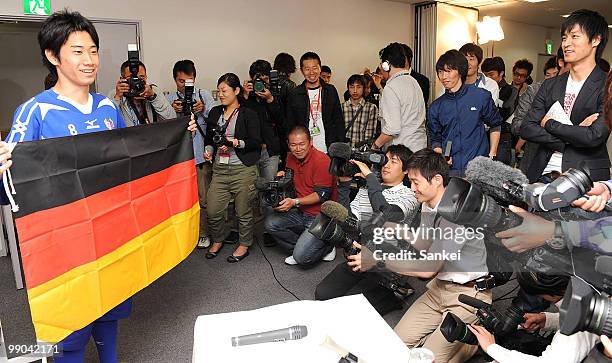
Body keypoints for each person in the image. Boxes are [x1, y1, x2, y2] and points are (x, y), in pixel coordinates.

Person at [7, 10, 129, 363]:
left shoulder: (108, 107)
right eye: (77, 51)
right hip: (63, 244)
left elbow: (128, 162)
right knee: (69, 332)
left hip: (108, 233)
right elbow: (12, 186)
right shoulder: (36, 112)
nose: (89, 60)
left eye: (93, 50)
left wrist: (171, 142)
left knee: (110, 314)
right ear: (52, 56)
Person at [355, 149, 491, 362]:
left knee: (427, 359)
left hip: (467, 296)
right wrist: (395, 228)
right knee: (395, 346)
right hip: (438, 289)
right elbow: (426, 242)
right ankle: (453, 338)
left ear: (437, 180)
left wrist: (377, 260)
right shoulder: (429, 203)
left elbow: (428, 268)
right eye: (410, 181)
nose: (412, 188)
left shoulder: (457, 212)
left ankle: (472, 343)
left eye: (416, 182)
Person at [314, 144, 418, 315]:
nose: (386, 165)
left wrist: (370, 177)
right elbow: (348, 220)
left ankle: (397, 292)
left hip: (386, 265)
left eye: (393, 161)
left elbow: (386, 213)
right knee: (323, 294)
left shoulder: (409, 196)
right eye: (385, 160)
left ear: (406, 170)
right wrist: (344, 185)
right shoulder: (366, 189)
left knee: (351, 310)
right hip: (361, 254)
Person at [520, 9, 610, 183]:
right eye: (564, 38)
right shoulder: (551, 84)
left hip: (587, 176)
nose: (566, 43)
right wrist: (573, 138)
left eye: (575, 36)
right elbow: (527, 127)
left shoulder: (607, 85)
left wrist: (548, 123)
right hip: (543, 172)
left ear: (596, 40)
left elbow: (594, 136)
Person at [468, 273, 600, 363]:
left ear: (549, 294)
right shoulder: (590, 295)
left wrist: (491, 348)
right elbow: (587, 332)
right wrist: (547, 319)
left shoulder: (574, 327)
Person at [204, 73, 261, 263]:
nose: (220, 94)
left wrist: (236, 143)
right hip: (220, 170)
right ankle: (218, 239)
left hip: (243, 169)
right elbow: (209, 138)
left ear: (236, 91)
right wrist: (209, 150)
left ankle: (244, 244)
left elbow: (255, 142)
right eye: (219, 90)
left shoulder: (248, 114)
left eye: (224, 90)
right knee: (212, 209)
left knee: (243, 211)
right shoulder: (214, 113)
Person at [264, 126, 336, 266]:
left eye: (302, 144)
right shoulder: (290, 157)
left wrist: (294, 202)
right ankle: (304, 247)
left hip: (320, 216)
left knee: (302, 258)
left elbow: (322, 195)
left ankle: (327, 245)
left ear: (311, 142)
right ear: (288, 145)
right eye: (293, 145)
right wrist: (282, 178)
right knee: (270, 223)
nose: (298, 149)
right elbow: (293, 180)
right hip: (300, 211)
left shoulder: (322, 160)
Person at [428, 50, 501, 176]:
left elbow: (495, 124)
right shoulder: (436, 106)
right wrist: (440, 155)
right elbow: (436, 138)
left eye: (449, 71)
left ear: (460, 71)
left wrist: (492, 154)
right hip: (451, 169)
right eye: (440, 72)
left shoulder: (480, 96)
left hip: (478, 168)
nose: (444, 76)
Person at [166, 59, 215, 248]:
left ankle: (203, 233)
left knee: (203, 199)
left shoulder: (203, 95)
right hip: (178, 160)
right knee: (180, 201)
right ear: (174, 80)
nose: (185, 85)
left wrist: (202, 109)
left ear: (195, 79)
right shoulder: (170, 100)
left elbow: (218, 119)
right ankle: (183, 235)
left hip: (200, 157)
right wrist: (173, 112)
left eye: (189, 81)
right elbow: (162, 127)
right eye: (180, 81)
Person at [372, 42, 426, 153]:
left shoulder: (391, 87)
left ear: (386, 65)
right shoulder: (414, 82)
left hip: (401, 153)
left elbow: (392, 129)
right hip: (420, 149)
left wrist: (375, 145)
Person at [286, 52, 344, 153]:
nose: (311, 72)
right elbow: (290, 123)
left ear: (320, 68)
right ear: (302, 71)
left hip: (328, 147)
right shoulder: (295, 93)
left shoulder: (330, 91)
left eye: (315, 68)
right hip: (304, 150)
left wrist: (339, 144)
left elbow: (338, 119)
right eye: (307, 69)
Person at [512, 56, 561, 173]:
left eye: (555, 74)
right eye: (548, 75)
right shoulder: (534, 90)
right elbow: (517, 125)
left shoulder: (569, 92)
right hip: (534, 156)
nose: (551, 79)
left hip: (562, 161)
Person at [243, 59, 285, 182]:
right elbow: (240, 120)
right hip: (250, 152)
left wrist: (270, 99)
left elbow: (281, 121)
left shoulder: (275, 94)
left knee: (269, 187)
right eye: (258, 80)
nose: (261, 83)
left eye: (265, 79)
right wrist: (245, 96)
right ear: (251, 79)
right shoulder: (245, 98)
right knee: (251, 190)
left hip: (270, 151)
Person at [111, 60, 176, 126]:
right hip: (128, 135)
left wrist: (153, 97)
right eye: (132, 78)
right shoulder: (116, 94)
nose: (137, 82)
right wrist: (117, 97)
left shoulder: (153, 90)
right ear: (122, 79)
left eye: (141, 77)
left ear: (146, 77)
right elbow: (110, 122)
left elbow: (172, 118)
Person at [482, 56, 518, 165]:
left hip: (502, 138)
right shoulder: (481, 90)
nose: (488, 78)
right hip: (484, 137)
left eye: (491, 74)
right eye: (485, 75)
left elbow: (504, 113)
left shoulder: (511, 91)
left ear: (501, 73)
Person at [342, 74, 378, 147]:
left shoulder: (371, 108)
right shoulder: (342, 107)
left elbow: (369, 134)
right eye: (352, 87)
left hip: (362, 151)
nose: (355, 91)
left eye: (358, 87)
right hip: (345, 150)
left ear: (364, 88)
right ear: (348, 88)